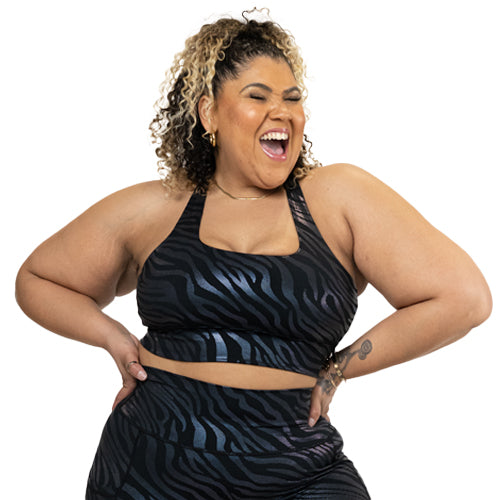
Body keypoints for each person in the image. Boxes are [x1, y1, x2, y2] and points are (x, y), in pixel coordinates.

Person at [15, 10, 491, 500]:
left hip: (297, 467)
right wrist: (112, 337)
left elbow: (464, 298)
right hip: (152, 461)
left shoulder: (339, 197)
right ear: (209, 114)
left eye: (292, 99)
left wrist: (339, 369)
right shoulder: (158, 207)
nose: (281, 112)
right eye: (258, 97)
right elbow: (37, 278)